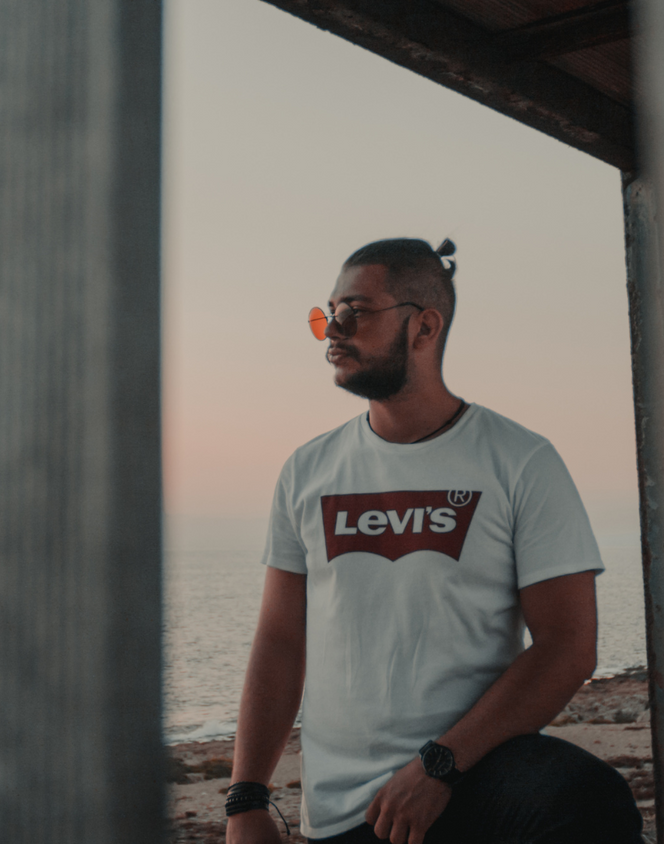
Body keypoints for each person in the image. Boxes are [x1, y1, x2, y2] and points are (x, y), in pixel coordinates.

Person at [226, 238, 643, 844]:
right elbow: (281, 640)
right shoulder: (307, 470)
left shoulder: (520, 461)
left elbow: (568, 646)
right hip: (346, 813)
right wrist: (246, 798)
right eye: (327, 314)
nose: (332, 332)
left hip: (474, 779)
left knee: (585, 797)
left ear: (424, 326)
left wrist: (438, 765)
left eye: (354, 312)